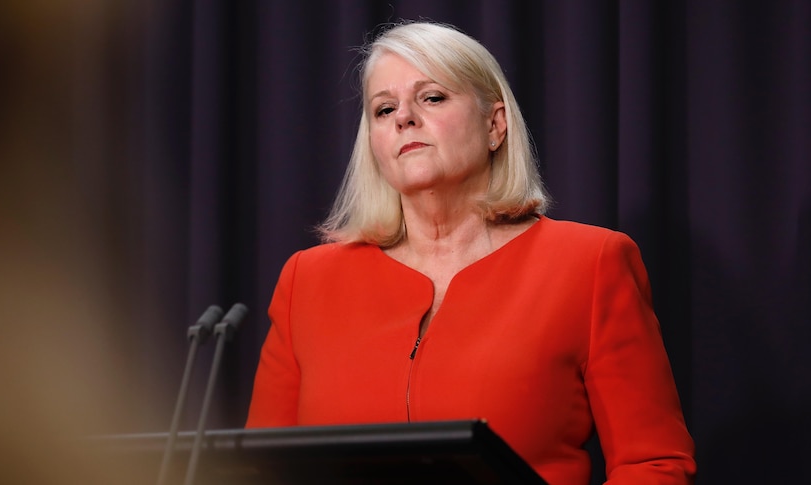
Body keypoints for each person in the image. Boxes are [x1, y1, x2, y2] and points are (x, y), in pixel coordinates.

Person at [246, 20, 696, 484]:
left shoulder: (590, 263)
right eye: (384, 110)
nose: (404, 118)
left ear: (495, 125)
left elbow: (654, 464)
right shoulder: (309, 280)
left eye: (432, 97)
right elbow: (258, 470)